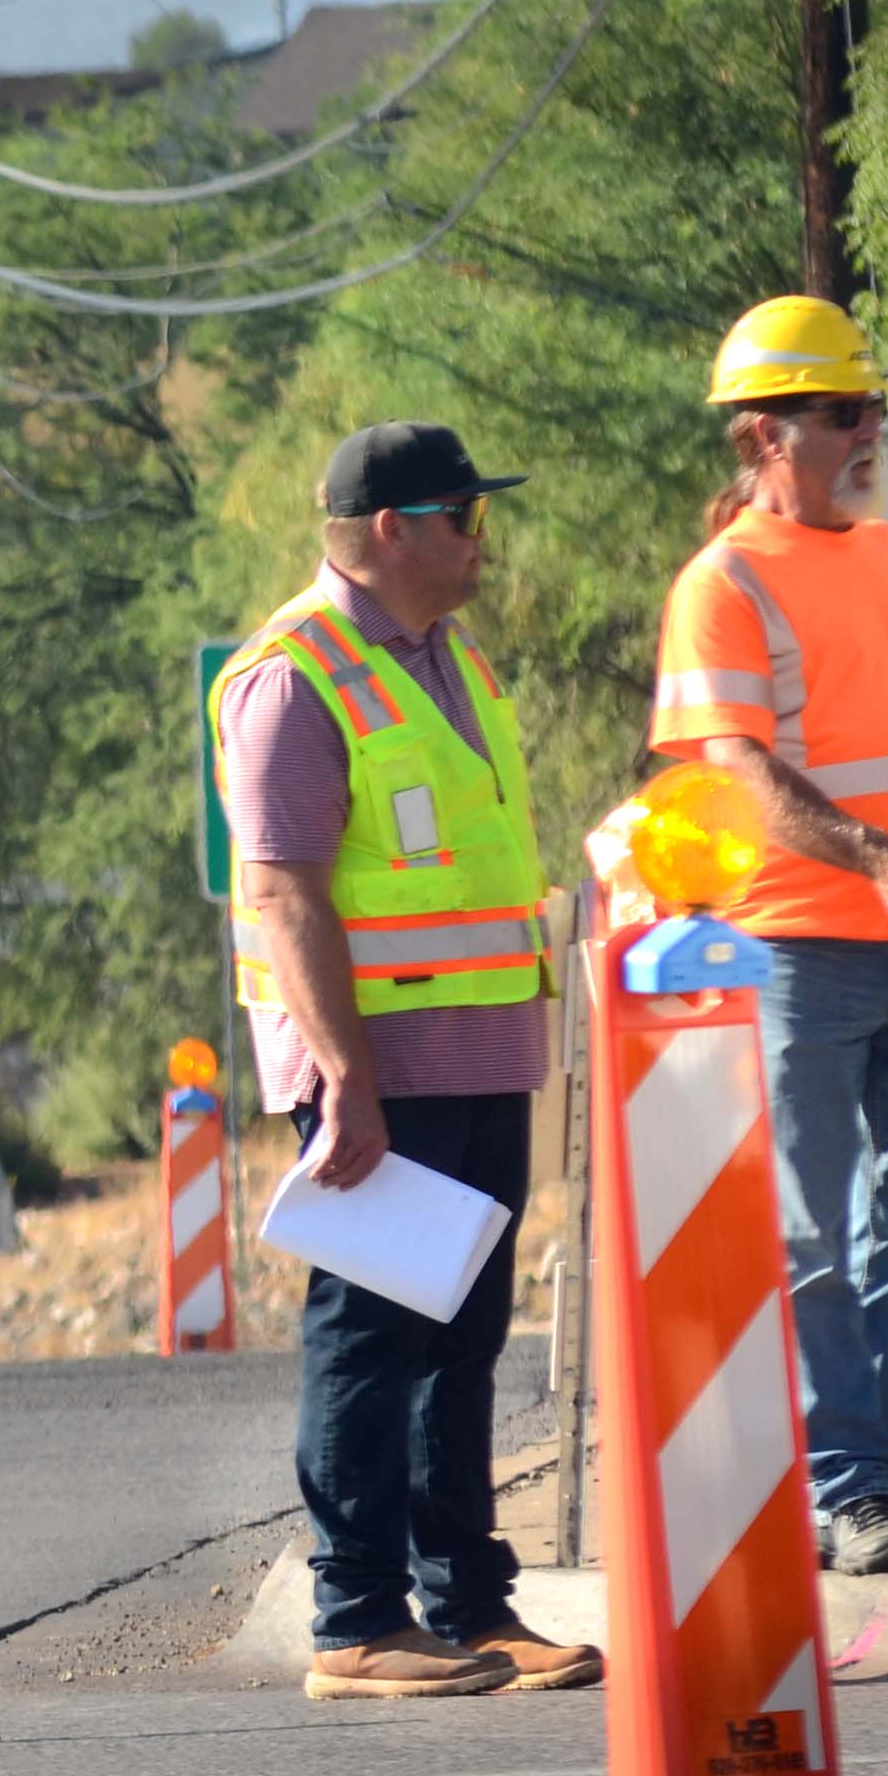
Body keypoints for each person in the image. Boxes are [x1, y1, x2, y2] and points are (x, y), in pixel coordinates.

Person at [213, 422, 596, 1703]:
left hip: (479, 1048)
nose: (481, 536)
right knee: (371, 1337)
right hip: (380, 1068)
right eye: (462, 514)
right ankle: (356, 1619)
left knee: (460, 1341)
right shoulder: (291, 680)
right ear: (390, 529)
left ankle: (467, 1606)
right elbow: (283, 895)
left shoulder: (446, 656)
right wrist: (346, 1080)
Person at [647, 298, 888, 1576]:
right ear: (762, 433)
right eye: (840, 412)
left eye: (869, 408)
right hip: (800, 947)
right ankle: (843, 1489)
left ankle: (876, 1485)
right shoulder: (721, 585)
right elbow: (739, 773)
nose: (866, 432)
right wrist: (882, 860)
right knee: (806, 1236)